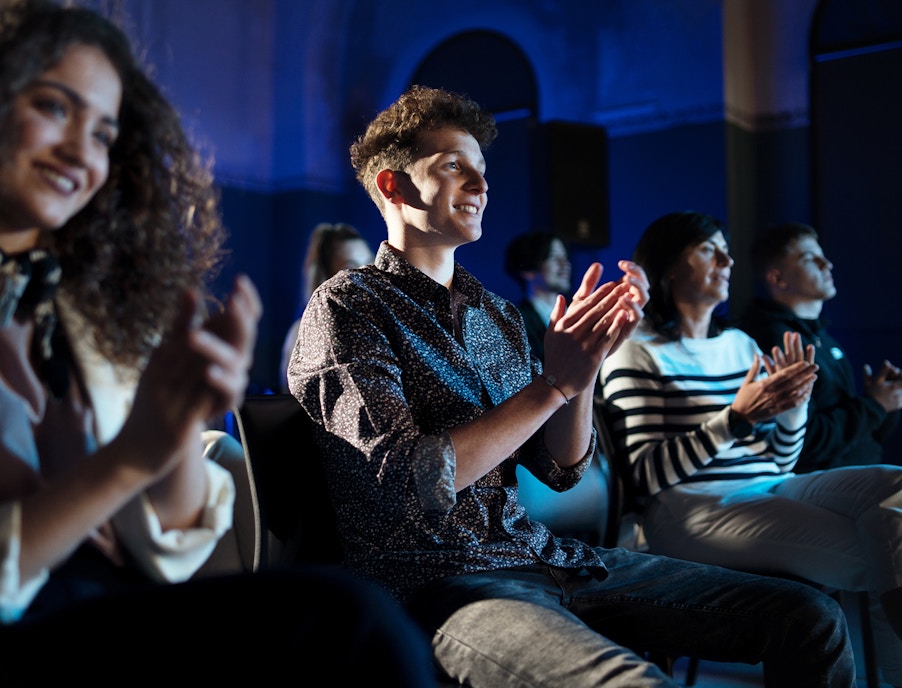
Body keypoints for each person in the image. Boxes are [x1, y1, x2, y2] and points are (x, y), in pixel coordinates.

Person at [0, 2, 437, 686]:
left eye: (103, 134)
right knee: (348, 625)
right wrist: (127, 460)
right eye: (54, 108)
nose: (80, 153)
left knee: (362, 621)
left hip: (107, 606)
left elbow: (174, 545)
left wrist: (177, 428)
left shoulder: (87, 308)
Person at [288, 84, 854, 687]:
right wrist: (554, 383)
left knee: (810, 616)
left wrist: (583, 373)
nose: (481, 186)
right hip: (441, 582)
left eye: (482, 171)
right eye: (455, 167)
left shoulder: (497, 314)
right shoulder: (350, 305)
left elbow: (559, 468)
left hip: (543, 556)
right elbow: (415, 481)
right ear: (393, 187)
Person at [599, 210, 902, 687]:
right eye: (708, 249)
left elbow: (779, 460)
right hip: (691, 510)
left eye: (725, 248)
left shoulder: (739, 344)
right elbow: (647, 477)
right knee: (880, 551)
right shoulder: (636, 350)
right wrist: (735, 419)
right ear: (670, 266)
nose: (727, 259)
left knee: (894, 484)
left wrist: (792, 410)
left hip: (768, 484)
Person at [739, 221, 901, 472]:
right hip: (819, 485)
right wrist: (874, 406)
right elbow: (807, 442)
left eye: (822, 256)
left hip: (858, 474)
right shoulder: (774, 340)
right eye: (809, 259)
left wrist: (885, 403)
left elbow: (861, 441)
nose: (827, 264)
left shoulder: (824, 339)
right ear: (778, 278)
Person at [278, 222, 375, 392]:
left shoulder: (381, 327)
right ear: (326, 277)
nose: (364, 274)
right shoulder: (304, 331)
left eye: (369, 264)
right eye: (351, 267)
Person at [504, 230, 573, 362]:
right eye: (553, 257)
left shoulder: (577, 312)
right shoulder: (515, 323)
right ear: (528, 270)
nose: (565, 264)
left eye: (564, 256)